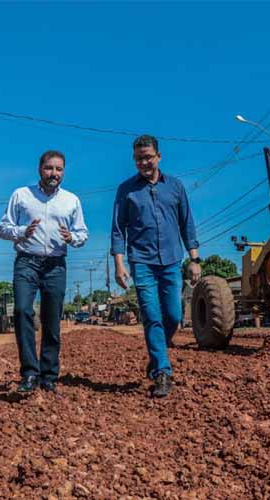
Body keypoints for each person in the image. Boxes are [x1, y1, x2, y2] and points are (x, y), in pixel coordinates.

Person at [111, 134, 201, 398]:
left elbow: (187, 223)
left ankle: (157, 354)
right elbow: (118, 229)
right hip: (141, 262)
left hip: (172, 260)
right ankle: (163, 372)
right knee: (151, 316)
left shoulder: (175, 186)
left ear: (159, 157)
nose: (144, 163)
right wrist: (119, 264)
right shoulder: (126, 190)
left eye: (148, 157)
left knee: (173, 315)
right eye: (139, 159)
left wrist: (194, 259)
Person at [0, 150, 88, 393]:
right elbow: (3, 228)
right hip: (26, 262)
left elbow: (83, 234)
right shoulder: (21, 195)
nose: (53, 173)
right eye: (49, 168)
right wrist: (22, 232)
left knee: (52, 319)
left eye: (58, 169)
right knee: (22, 311)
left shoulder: (71, 200)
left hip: (55, 265)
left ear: (63, 172)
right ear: (40, 169)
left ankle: (49, 375)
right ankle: (29, 373)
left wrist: (71, 238)